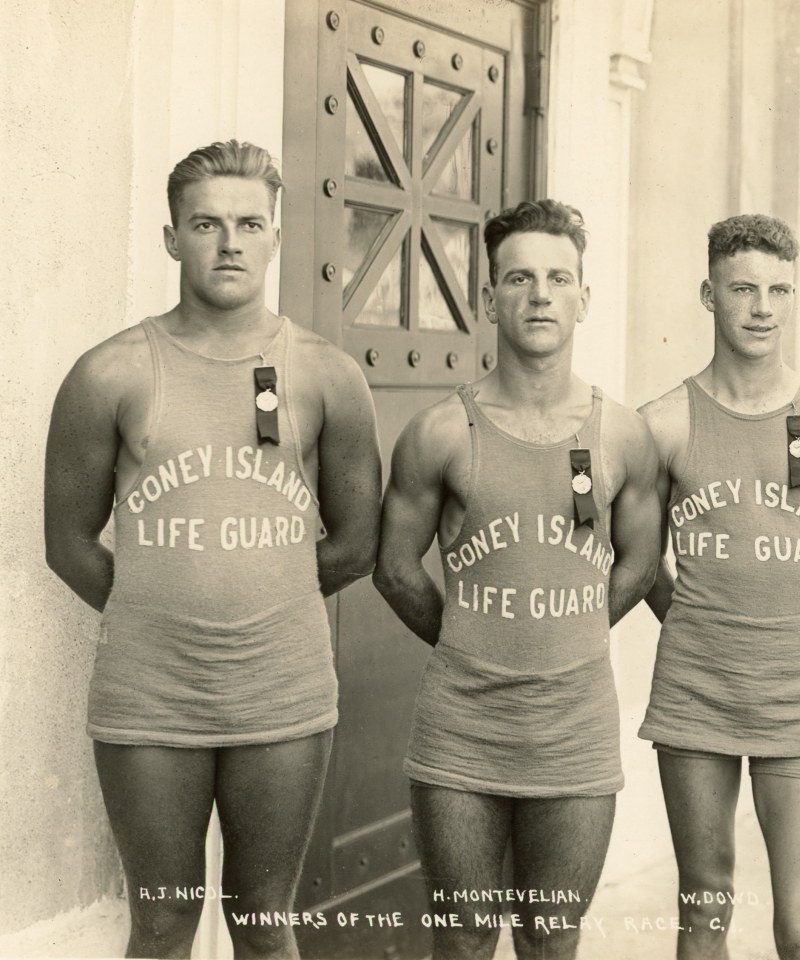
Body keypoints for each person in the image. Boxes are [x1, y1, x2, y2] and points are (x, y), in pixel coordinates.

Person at [44, 140, 381, 959]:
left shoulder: (326, 375)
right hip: (149, 696)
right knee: (160, 924)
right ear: (171, 238)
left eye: (247, 224)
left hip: (282, 690)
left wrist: (268, 603)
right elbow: (67, 544)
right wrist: (157, 609)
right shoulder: (110, 373)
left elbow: (357, 541)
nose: (228, 242)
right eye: (205, 224)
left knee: (265, 922)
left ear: (272, 237)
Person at [372, 199, 660, 960]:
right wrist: (469, 639)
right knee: (464, 941)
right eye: (519, 278)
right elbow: (394, 567)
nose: (539, 295)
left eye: (558, 278)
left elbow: (638, 561)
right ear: (486, 297)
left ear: (583, 299)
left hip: (575, 731)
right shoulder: (440, 431)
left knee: (549, 935)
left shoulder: (620, 432)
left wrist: (570, 630)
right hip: (462, 729)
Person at [637, 214, 800, 960]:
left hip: (799, 694)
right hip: (695, 692)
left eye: (777, 290)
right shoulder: (662, 422)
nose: (762, 307)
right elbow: (641, 560)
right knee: (703, 907)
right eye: (743, 289)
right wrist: (705, 620)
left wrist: (782, 621)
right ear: (710, 295)